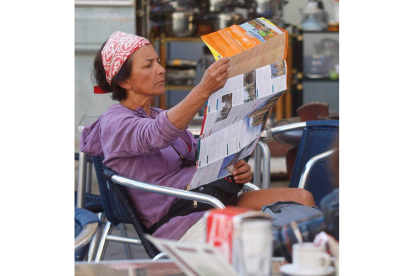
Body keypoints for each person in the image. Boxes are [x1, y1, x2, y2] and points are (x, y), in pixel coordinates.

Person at [80, 31, 315, 242]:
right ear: (123, 81)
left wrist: (234, 166)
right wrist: (203, 90)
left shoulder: (159, 115)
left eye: (159, 62)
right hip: (182, 220)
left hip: (211, 199)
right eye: (148, 65)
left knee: (302, 198)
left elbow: (201, 153)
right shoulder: (114, 121)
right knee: (282, 233)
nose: (161, 69)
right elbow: (154, 136)